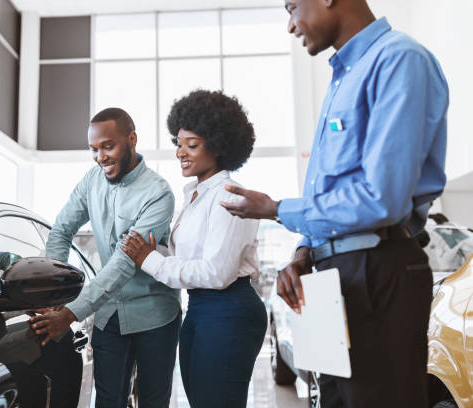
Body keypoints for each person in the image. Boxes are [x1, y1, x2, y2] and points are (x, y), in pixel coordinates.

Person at [220, 1, 449, 407]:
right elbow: (329, 196)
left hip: (377, 269)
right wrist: (303, 254)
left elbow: (383, 198)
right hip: (330, 275)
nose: (290, 25)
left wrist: (276, 209)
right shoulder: (342, 81)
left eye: (291, 7)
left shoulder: (398, 60)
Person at [120, 90, 267, 408]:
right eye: (178, 143)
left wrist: (151, 261)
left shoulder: (230, 196)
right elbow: (192, 260)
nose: (180, 153)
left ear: (218, 145)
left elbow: (216, 272)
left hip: (229, 310)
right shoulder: (196, 195)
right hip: (201, 309)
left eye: (192, 145)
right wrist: (155, 252)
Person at [29, 108, 181, 408]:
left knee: (154, 401)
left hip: (155, 315)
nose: (100, 157)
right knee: (108, 401)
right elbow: (61, 230)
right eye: (94, 150)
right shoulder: (91, 181)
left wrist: (71, 312)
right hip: (108, 313)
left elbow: (125, 263)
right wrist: (54, 292)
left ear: (132, 140)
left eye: (107, 146)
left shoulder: (158, 193)